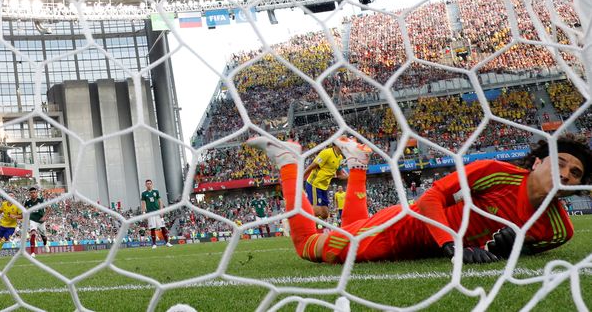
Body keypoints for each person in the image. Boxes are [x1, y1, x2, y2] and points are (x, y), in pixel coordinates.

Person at [247, 135, 591, 265]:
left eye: (575, 174)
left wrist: (510, 248)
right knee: (310, 246)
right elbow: (432, 197)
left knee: (350, 228)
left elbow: (520, 249)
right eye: (559, 162)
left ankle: (357, 163)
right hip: (407, 227)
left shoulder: (558, 231)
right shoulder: (496, 173)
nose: (565, 175)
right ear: (537, 161)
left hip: (429, 246)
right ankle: (289, 160)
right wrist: (452, 244)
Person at [303, 139, 347, 220]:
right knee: (317, 211)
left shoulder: (340, 158)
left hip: (324, 187)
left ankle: (305, 207)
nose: (344, 146)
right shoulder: (326, 153)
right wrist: (301, 176)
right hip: (314, 184)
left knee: (325, 214)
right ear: (336, 145)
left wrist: (353, 177)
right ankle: (301, 212)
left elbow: (339, 175)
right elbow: (312, 166)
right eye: (342, 144)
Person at [0, 191, 22, 261]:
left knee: (3, 241)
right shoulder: (4, 204)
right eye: (9, 195)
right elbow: (0, 211)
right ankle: (5, 242)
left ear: (14, 197)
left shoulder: (17, 206)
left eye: (12, 196)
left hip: (11, 227)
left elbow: (22, 216)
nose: (10, 197)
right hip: (3, 225)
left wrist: (15, 216)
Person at [141, 179, 171, 248]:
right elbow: (143, 203)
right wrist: (143, 212)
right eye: (147, 184)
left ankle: (167, 242)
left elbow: (160, 201)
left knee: (163, 227)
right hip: (150, 213)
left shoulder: (156, 192)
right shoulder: (144, 193)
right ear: (145, 185)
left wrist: (161, 211)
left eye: (150, 183)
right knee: (152, 228)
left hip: (157, 212)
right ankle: (154, 244)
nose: (149, 185)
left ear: (152, 184)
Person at [24, 187, 51, 257]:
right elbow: (23, 209)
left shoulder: (41, 200)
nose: (33, 194)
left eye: (34, 192)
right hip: (33, 220)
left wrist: (44, 216)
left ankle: (45, 244)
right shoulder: (28, 202)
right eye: (31, 193)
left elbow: (48, 208)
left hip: (41, 221)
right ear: (29, 194)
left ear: (36, 193)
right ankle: (32, 252)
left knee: (44, 236)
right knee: (33, 233)